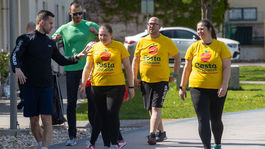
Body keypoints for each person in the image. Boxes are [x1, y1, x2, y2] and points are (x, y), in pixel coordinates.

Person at [10, 10, 89, 149]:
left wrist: (78, 57)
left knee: (47, 120)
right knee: (34, 121)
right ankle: (41, 144)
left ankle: (45, 147)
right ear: (42, 22)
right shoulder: (25, 39)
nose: (52, 26)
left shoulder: (50, 42)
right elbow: (15, 55)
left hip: (47, 87)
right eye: (50, 23)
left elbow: (61, 60)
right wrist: (17, 68)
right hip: (29, 86)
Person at [52, 1, 99, 146]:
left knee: (92, 101)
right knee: (71, 103)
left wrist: (96, 33)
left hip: (90, 69)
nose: (78, 16)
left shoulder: (91, 26)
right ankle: (72, 136)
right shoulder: (64, 28)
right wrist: (56, 39)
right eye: (75, 13)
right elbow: (51, 41)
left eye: (80, 13)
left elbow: (106, 39)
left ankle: (94, 134)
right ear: (70, 13)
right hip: (72, 68)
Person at [79, 24, 134, 149]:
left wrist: (131, 87)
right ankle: (97, 143)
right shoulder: (94, 47)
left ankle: (115, 143)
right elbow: (87, 67)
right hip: (97, 86)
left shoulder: (119, 47)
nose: (102, 37)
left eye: (105, 35)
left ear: (111, 35)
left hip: (116, 86)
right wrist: (83, 84)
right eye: (100, 35)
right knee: (99, 115)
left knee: (112, 113)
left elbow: (128, 68)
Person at [179, 19, 231, 149]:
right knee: (203, 119)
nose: (199, 31)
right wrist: (182, 86)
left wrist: (224, 85)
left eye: (202, 28)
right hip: (197, 88)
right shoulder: (194, 47)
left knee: (216, 119)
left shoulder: (221, 46)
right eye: (198, 29)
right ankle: (206, 146)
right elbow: (187, 68)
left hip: (217, 89)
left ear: (209, 29)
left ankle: (217, 144)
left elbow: (226, 67)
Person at [132, 17, 181, 145]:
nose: (151, 26)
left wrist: (174, 74)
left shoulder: (166, 41)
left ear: (160, 26)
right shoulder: (142, 42)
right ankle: (162, 133)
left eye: (154, 24)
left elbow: (177, 57)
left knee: (155, 108)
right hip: (145, 81)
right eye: (149, 24)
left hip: (161, 81)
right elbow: (135, 60)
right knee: (151, 109)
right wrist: (134, 78)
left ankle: (152, 134)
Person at [17, 21, 36, 110]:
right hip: (33, 69)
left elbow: (17, 54)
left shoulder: (22, 39)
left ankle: (23, 98)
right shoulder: (35, 39)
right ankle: (25, 99)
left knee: (22, 85)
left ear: (26, 29)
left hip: (22, 68)